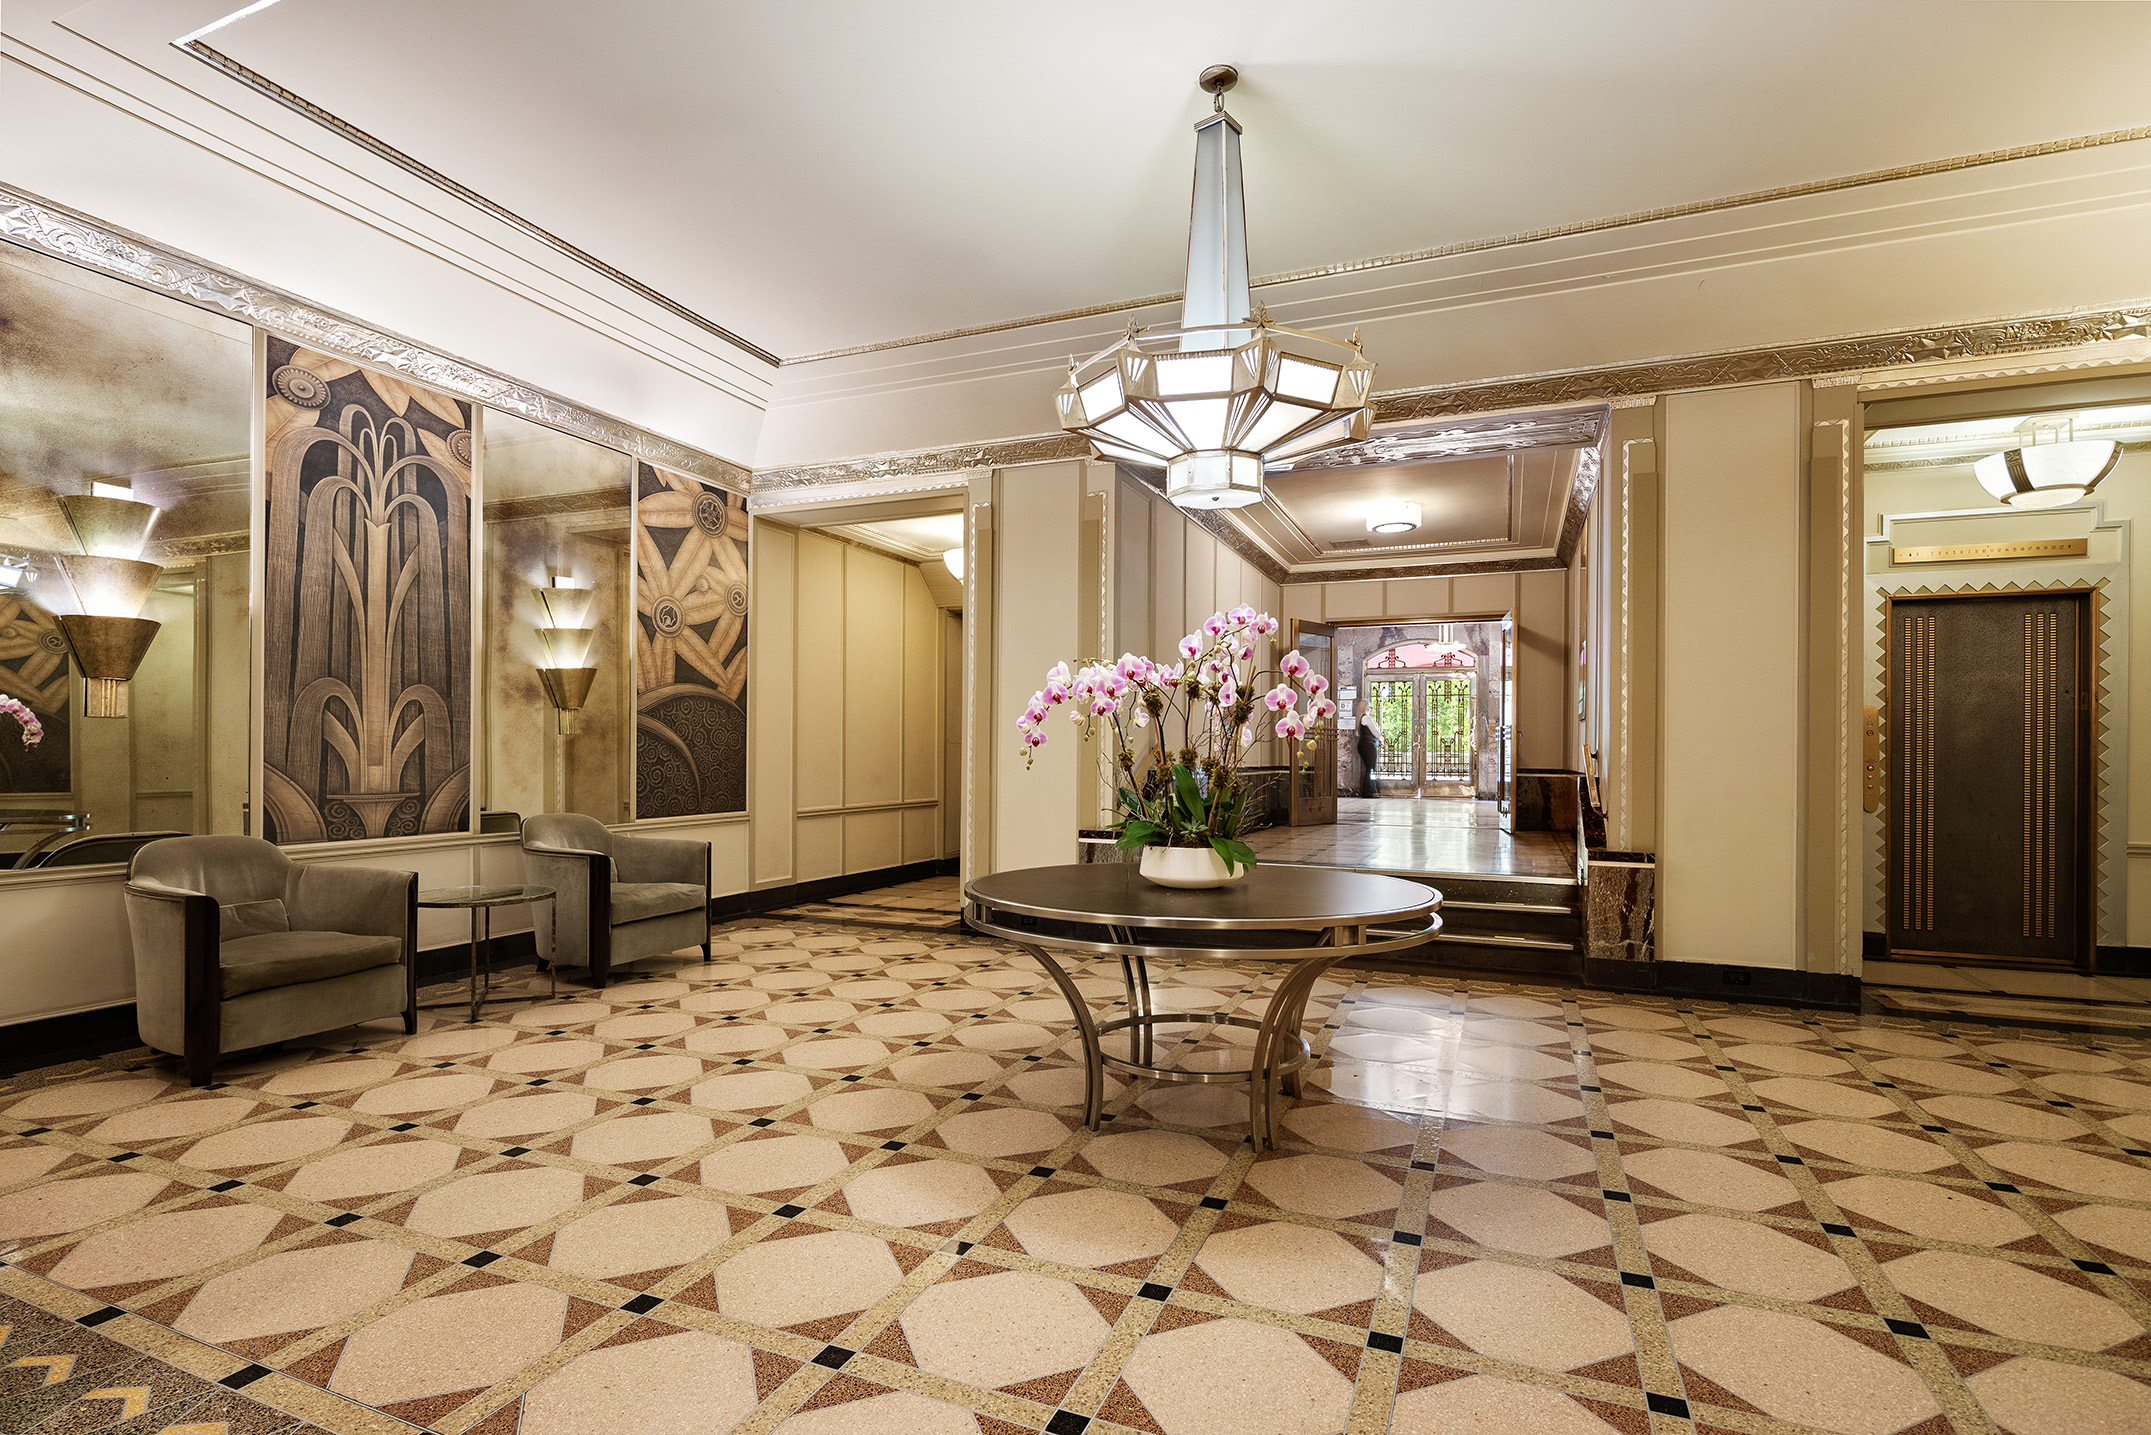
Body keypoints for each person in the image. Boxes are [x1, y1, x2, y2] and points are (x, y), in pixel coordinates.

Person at [1356, 702, 1380, 797]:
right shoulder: (1366, 718)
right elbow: (1375, 731)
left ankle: (1368, 790)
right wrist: (1381, 739)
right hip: (1369, 745)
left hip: (1364, 744)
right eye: (1370, 706)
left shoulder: (1361, 718)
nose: (1371, 708)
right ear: (1366, 707)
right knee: (1370, 768)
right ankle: (1368, 792)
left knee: (1368, 768)